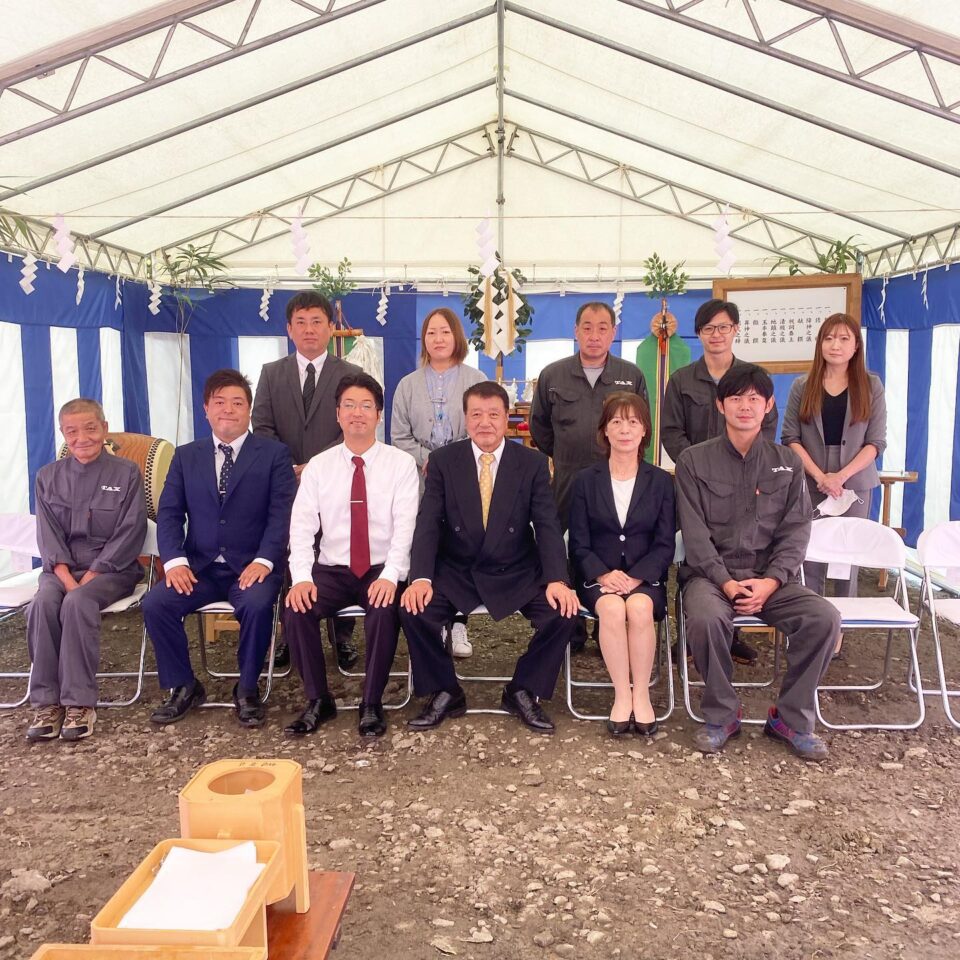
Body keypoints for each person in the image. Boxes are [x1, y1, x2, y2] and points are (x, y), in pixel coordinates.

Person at [675, 364, 840, 761]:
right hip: (711, 578)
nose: (745, 406)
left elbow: (796, 531)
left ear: (768, 406)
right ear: (721, 405)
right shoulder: (693, 461)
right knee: (705, 619)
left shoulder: (788, 462)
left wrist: (772, 581)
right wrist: (725, 582)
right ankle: (722, 715)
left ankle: (790, 719)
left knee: (824, 618)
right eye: (736, 398)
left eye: (754, 399)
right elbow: (694, 536)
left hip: (771, 580)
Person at [400, 381, 579, 733]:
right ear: (465, 418)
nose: (485, 423)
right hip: (458, 568)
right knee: (413, 608)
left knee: (563, 611)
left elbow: (547, 525)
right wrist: (420, 577)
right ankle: (445, 690)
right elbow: (428, 523)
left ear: (506, 418)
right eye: (477, 414)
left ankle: (523, 689)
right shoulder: (444, 461)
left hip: (516, 568)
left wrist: (558, 579)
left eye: (494, 414)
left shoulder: (531, 463)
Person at [143, 369, 296, 728]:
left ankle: (247, 688)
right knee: (155, 603)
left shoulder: (274, 454)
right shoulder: (186, 456)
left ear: (249, 410)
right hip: (200, 567)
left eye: (237, 403)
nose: (228, 409)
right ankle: (184, 685)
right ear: (206, 409)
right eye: (220, 402)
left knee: (257, 605)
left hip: (252, 565)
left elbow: (282, 514)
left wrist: (265, 560)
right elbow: (169, 513)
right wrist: (175, 562)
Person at [284, 373, 419, 738]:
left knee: (384, 608)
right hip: (332, 569)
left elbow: (406, 527)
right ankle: (318, 699)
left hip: (380, 567)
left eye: (366, 406)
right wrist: (301, 578)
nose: (357, 413)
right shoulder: (319, 466)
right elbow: (301, 527)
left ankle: (371, 702)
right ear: (338, 414)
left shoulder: (400, 464)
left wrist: (391, 575)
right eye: (349, 405)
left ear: (378, 414)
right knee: (296, 608)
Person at [661, 298, 779, 667]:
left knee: (738, 551)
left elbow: (767, 429)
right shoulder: (682, 380)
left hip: (744, 484)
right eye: (708, 328)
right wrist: (698, 467)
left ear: (735, 330)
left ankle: (732, 633)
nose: (716, 334)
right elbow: (670, 431)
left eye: (723, 327)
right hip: (694, 484)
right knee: (694, 555)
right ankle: (690, 635)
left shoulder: (752, 377)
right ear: (699, 334)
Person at [252, 289, 363, 671]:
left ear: (331, 328)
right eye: (301, 322)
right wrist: (289, 466)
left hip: (336, 479)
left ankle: (342, 636)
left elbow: (352, 428)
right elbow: (262, 426)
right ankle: (289, 631)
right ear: (289, 329)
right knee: (291, 552)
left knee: (339, 552)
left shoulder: (350, 375)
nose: (309, 329)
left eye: (317, 322)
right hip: (284, 482)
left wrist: (314, 465)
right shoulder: (272, 373)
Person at [25, 399, 147, 741]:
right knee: (42, 604)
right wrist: (66, 579)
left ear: (104, 429)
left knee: (77, 603)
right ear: (63, 434)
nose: (82, 438)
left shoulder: (126, 473)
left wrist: (92, 575)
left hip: (113, 570)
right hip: (61, 569)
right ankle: (46, 703)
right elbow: (48, 536)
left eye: (90, 429)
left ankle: (79, 703)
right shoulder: (47, 477)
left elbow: (131, 530)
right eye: (72, 431)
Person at [567, 393, 675, 737]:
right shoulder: (585, 481)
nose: (624, 429)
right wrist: (602, 573)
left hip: (646, 579)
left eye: (632, 422)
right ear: (605, 431)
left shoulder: (661, 481)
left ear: (644, 430)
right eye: (616, 421)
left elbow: (665, 543)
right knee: (612, 610)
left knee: (640, 609)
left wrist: (637, 577)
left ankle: (641, 694)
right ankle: (621, 695)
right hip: (598, 578)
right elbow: (578, 542)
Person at [391, 307, 486, 658]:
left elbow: (484, 430)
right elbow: (398, 435)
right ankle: (433, 617)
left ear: (456, 336)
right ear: (424, 340)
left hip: (466, 476)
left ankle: (459, 621)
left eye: (445, 331)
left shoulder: (476, 379)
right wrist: (426, 458)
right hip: (422, 477)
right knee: (427, 540)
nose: (438, 338)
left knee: (462, 544)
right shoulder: (407, 385)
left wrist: (451, 459)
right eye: (431, 332)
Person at [781, 312, 886, 614]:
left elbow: (875, 442)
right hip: (810, 477)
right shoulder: (802, 385)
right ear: (820, 344)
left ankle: (842, 623)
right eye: (828, 338)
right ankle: (812, 618)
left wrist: (840, 476)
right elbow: (790, 437)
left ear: (856, 346)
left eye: (843, 339)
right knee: (809, 552)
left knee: (846, 555)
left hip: (855, 481)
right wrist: (820, 476)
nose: (835, 345)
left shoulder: (871, 385)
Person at [530, 301, 648, 530]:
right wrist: (565, 452)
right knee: (564, 538)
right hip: (568, 477)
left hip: (617, 478)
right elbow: (539, 426)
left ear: (613, 332)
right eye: (587, 328)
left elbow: (642, 425)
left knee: (614, 536)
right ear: (576, 331)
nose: (594, 336)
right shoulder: (553, 375)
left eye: (602, 328)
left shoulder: (631, 375)